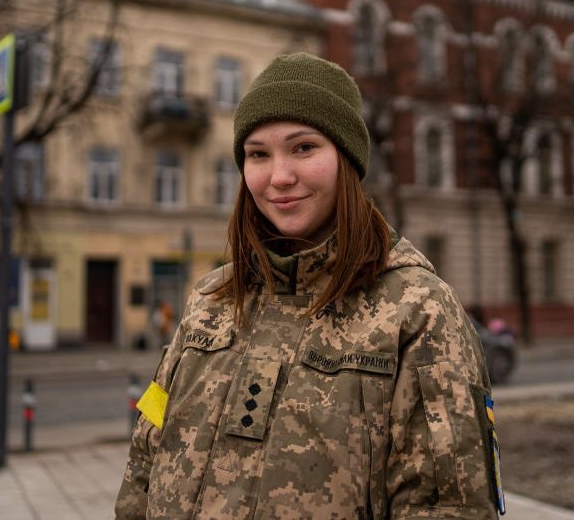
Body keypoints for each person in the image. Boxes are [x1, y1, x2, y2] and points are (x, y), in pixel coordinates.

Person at [115, 53, 504, 519]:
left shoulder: (418, 310)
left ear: (347, 160)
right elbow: (147, 452)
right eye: (258, 154)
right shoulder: (211, 300)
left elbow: (450, 505)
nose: (279, 177)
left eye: (303, 148)